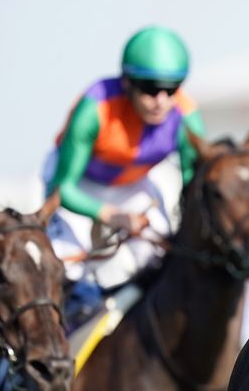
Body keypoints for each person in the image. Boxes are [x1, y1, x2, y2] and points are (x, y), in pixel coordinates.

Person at [42, 25, 206, 323]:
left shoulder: (186, 115)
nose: (161, 100)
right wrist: (112, 216)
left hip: (135, 183)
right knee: (65, 263)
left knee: (157, 255)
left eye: (171, 89)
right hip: (78, 184)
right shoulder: (95, 109)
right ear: (127, 82)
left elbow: (193, 184)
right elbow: (62, 189)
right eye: (150, 88)